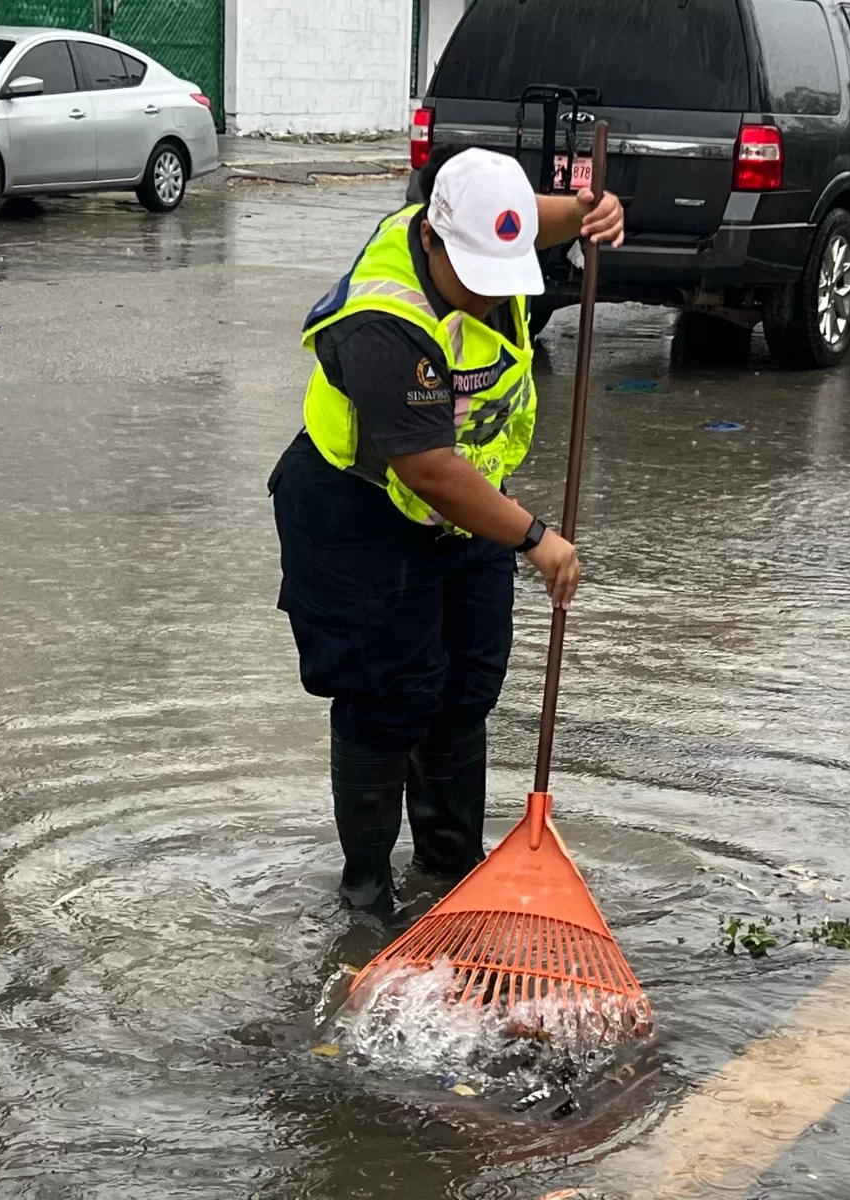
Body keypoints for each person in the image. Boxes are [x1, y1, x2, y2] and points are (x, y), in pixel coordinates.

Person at [269, 147, 625, 913]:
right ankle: (367, 895)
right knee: (390, 694)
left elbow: (549, 215)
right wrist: (535, 539)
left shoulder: (491, 239)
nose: (494, 298)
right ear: (434, 240)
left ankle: (453, 870)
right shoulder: (380, 321)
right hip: (357, 512)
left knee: (465, 688)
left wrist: (597, 210)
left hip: (470, 509)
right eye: (479, 279)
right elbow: (428, 470)